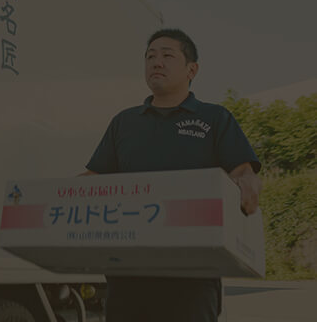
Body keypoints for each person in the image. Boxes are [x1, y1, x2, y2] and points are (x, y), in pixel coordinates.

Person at [80, 28, 263, 322]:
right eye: (150, 56)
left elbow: (242, 170)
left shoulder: (214, 118)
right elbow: (94, 178)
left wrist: (248, 181)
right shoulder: (124, 122)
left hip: (193, 278)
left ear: (192, 69)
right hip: (126, 277)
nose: (156, 62)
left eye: (167, 55)